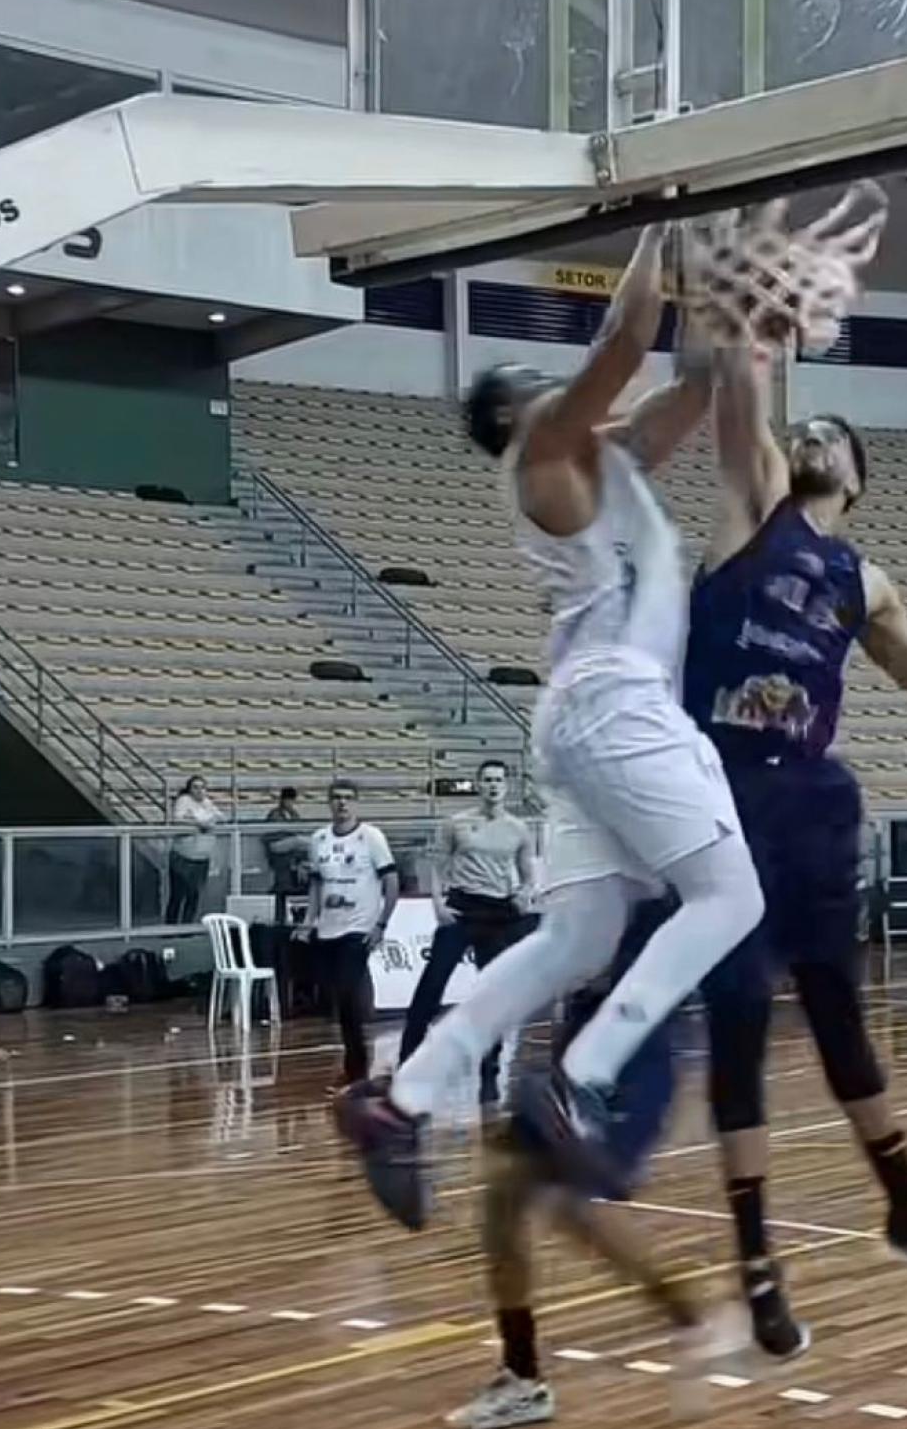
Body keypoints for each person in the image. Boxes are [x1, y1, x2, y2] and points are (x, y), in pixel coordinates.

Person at [339, 224, 764, 1230]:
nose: (566, 385)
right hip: (613, 703)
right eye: (538, 377)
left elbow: (688, 389)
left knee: (579, 935)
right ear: (511, 410)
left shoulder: (604, 462)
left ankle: (399, 1099)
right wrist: (665, 220)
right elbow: (623, 340)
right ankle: (581, 1076)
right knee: (729, 896)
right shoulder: (541, 449)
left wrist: (718, 285)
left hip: (590, 712)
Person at [684, 339, 907, 1357]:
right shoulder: (750, 513)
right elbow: (744, 413)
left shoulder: (863, 581)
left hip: (809, 804)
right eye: (804, 430)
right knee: (740, 1020)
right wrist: (750, 331)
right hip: (716, 789)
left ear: (858, 478)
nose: (811, 437)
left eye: (830, 435)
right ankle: (756, 1266)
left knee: (840, 1021)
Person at [444, 897, 743, 1429]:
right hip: (577, 1037)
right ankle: (522, 1375)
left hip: (634, 1044)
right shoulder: (588, 851)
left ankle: (695, 1316)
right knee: (502, 1194)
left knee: (573, 1205)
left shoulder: (663, 855)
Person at [399, 761, 536, 1111]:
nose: (492, 785)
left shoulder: (518, 828)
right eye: (487, 779)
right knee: (431, 986)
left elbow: (527, 872)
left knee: (492, 993)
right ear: (478, 784)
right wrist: (437, 904)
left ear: (507, 786)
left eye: (498, 780)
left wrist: (524, 893)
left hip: (498, 913)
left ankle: (490, 1064)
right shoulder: (455, 824)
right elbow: (436, 866)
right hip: (461, 908)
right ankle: (408, 1062)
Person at [306, 778, 399, 1085]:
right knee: (337, 996)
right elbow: (317, 884)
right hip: (328, 928)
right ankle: (358, 1053)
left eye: (347, 798)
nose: (341, 803)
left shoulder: (370, 837)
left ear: (356, 802)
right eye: (336, 797)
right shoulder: (318, 839)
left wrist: (381, 924)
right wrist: (310, 920)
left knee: (347, 993)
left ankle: (357, 1067)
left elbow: (390, 881)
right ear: (328, 802)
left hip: (358, 927)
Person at [167, 775, 221, 924]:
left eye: (202, 787)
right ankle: (170, 926)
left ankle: (187, 926)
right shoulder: (183, 801)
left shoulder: (207, 803)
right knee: (177, 894)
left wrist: (206, 822)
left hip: (201, 857)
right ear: (189, 789)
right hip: (183, 856)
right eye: (195, 787)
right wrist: (198, 823)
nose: (199, 791)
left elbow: (218, 817)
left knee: (194, 894)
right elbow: (177, 820)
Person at [263, 786, 309, 926]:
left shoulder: (294, 814)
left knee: (303, 843)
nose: (290, 803)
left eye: (292, 800)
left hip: (291, 853)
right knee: (301, 841)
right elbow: (272, 836)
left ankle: (299, 916)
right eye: (287, 800)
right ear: (282, 800)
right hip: (277, 846)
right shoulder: (274, 815)